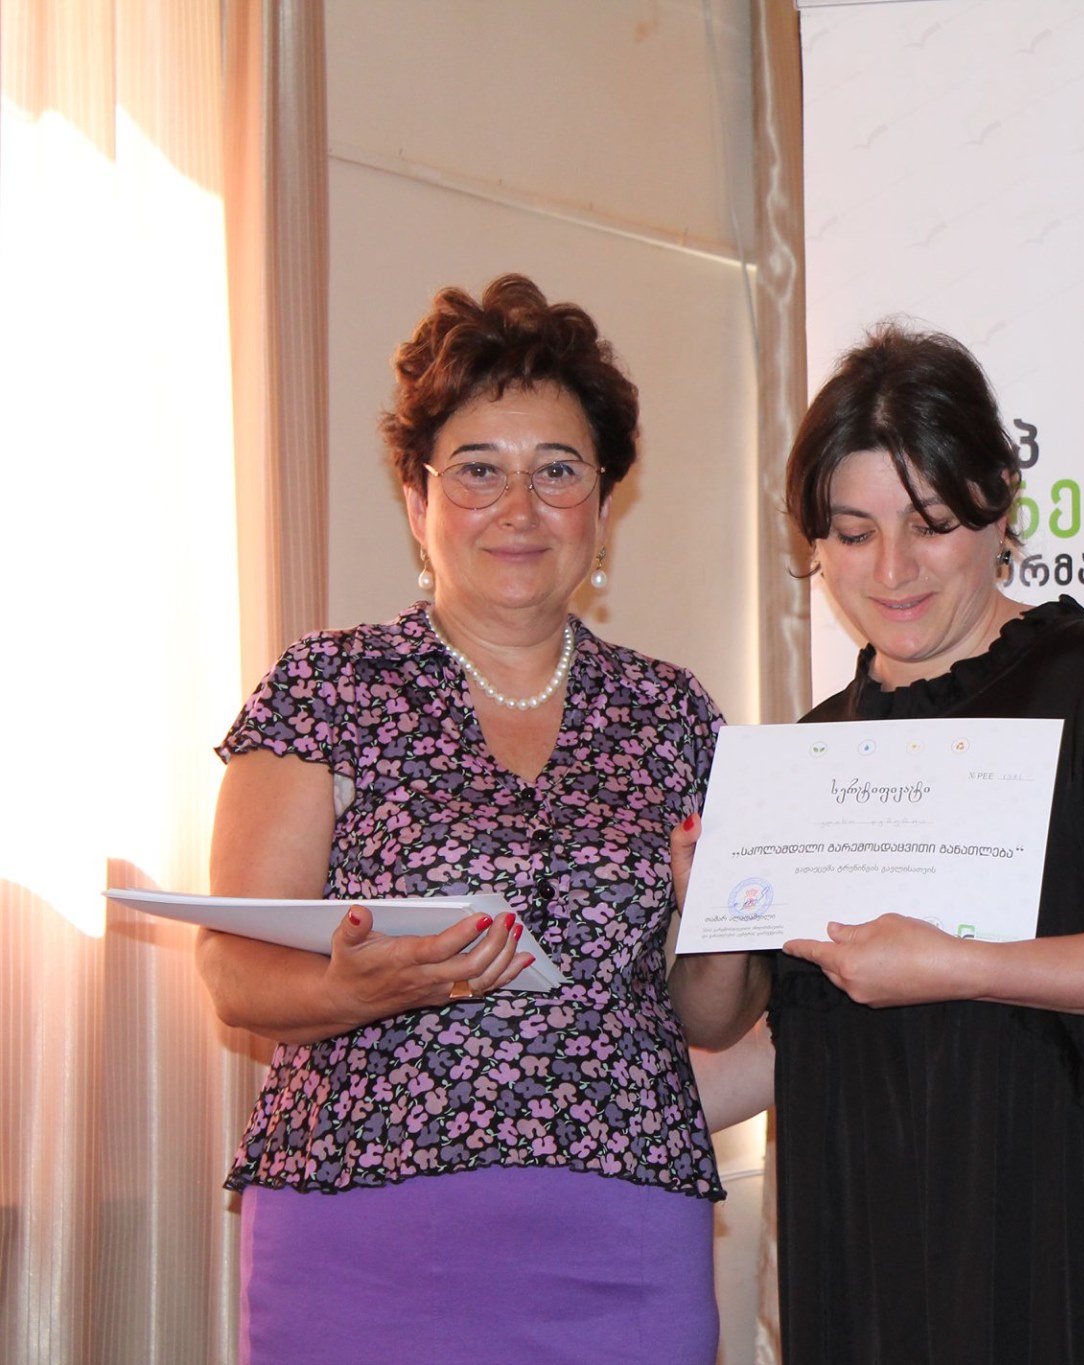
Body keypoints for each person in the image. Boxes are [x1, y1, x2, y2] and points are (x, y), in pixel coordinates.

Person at [195, 274, 766, 1365]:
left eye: (557, 471)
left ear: (602, 509)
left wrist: (719, 922)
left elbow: (709, 1017)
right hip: (362, 1230)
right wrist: (350, 989)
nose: (520, 507)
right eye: (477, 470)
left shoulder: (674, 712)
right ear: (419, 504)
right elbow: (232, 969)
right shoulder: (328, 686)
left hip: (625, 1234)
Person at [769, 323, 1084, 1363]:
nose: (892, 569)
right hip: (884, 1256)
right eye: (852, 534)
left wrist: (958, 964)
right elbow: (797, 1038)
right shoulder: (817, 750)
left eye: (931, 524)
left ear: (1000, 503)